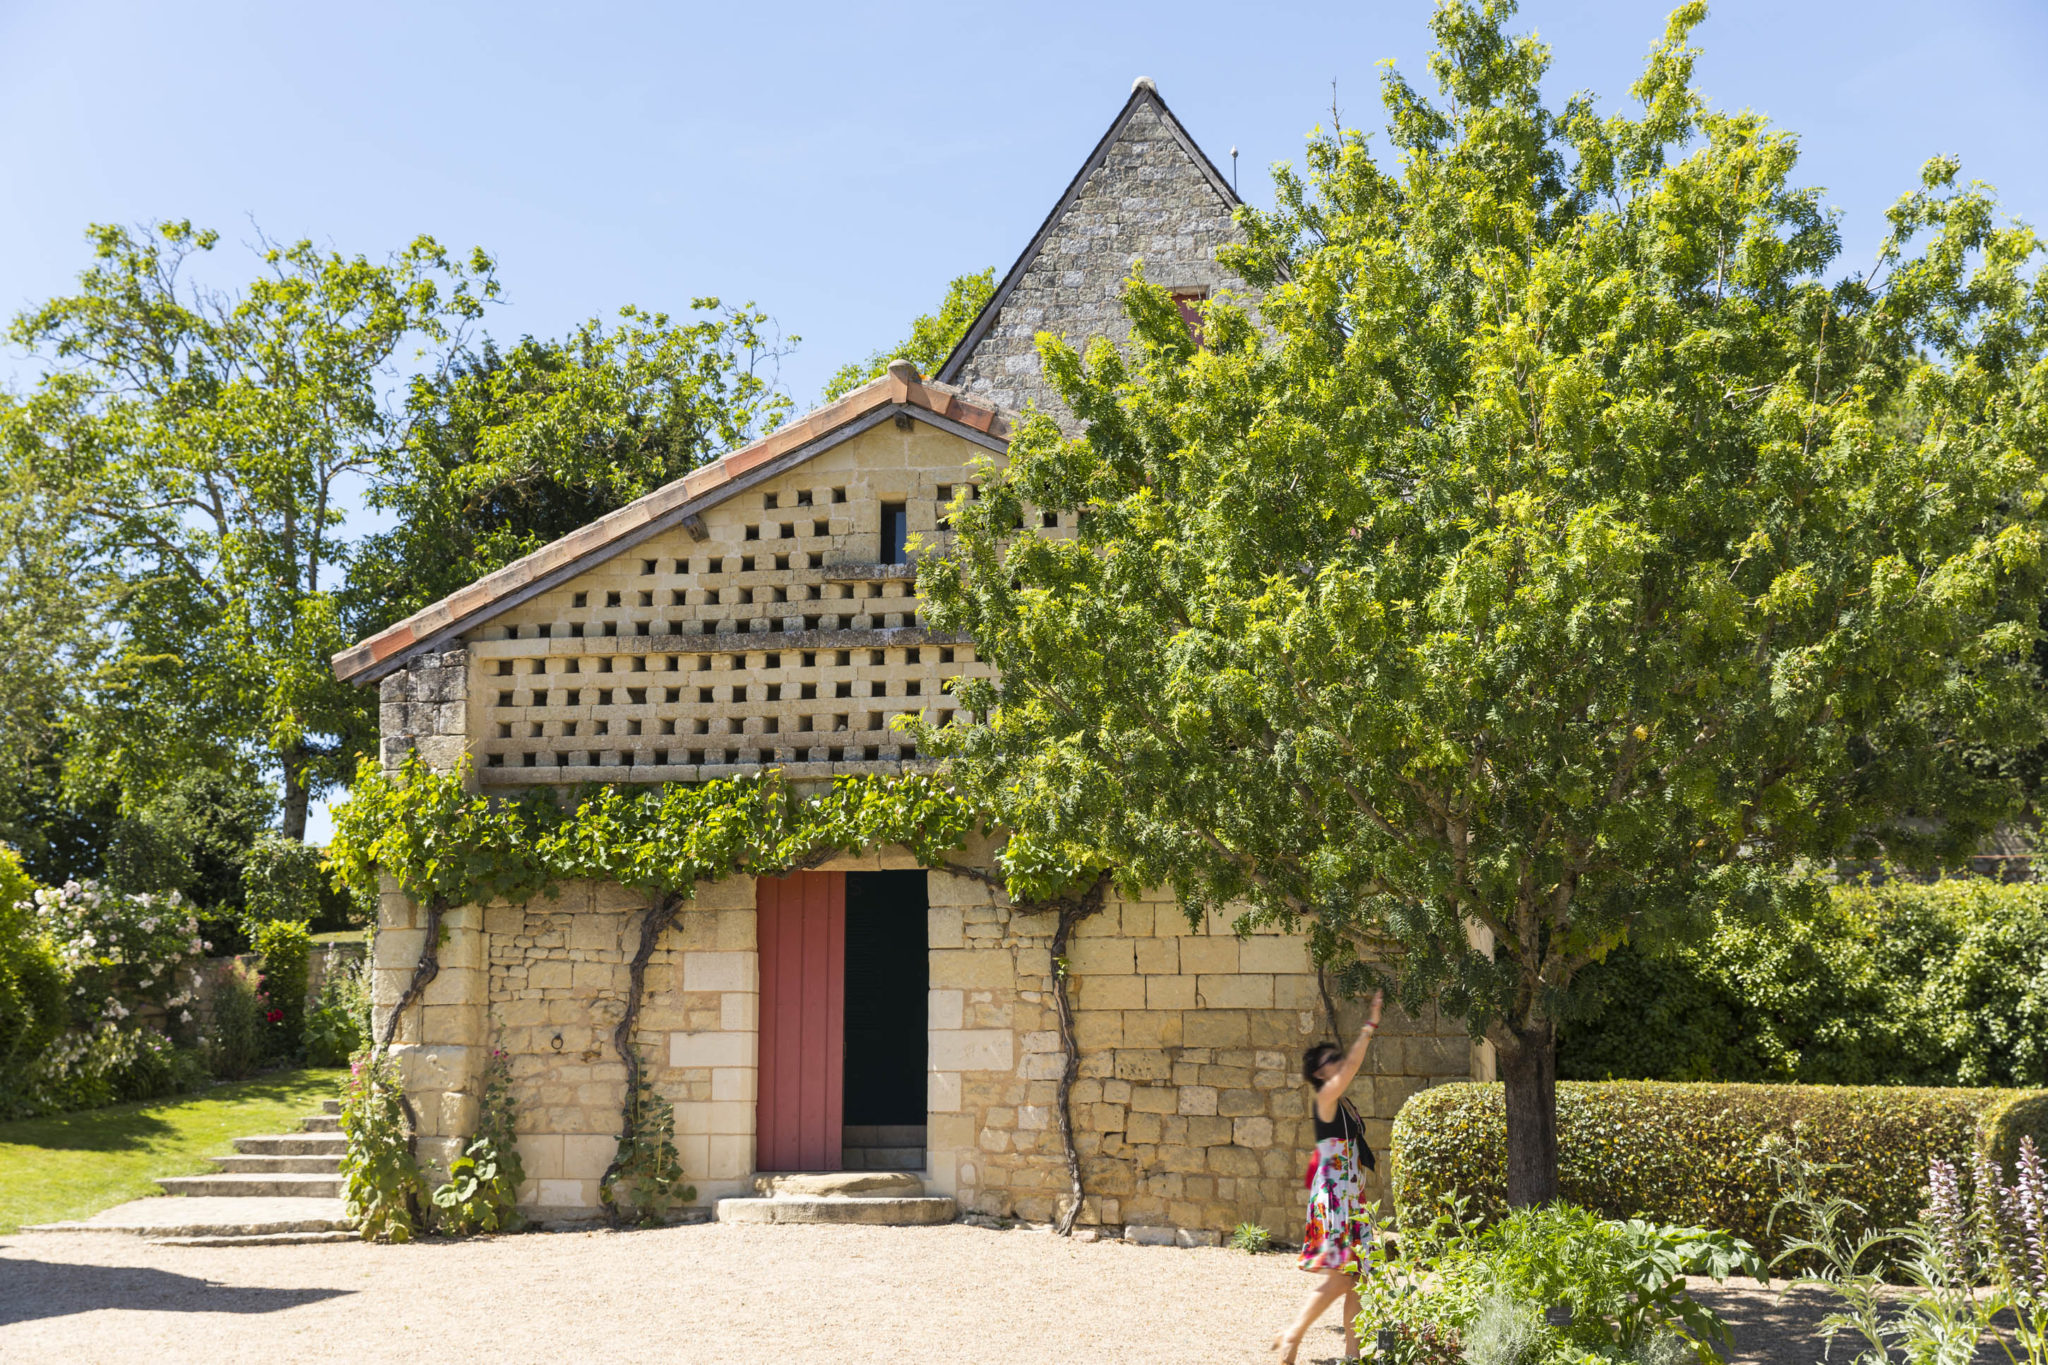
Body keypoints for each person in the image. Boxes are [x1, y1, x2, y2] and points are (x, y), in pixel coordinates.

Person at [1272, 989, 1384, 1364]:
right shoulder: (1326, 1097)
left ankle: (1352, 1355)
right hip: (1337, 1197)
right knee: (1341, 1277)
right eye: (1332, 1061)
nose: (1340, 1063)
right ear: (1321, 1073)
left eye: (1337, 1058)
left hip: (1350, 1196)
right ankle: (1292, 1334)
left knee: (1358, 1277)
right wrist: (1369, 1025)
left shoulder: (1342, 1102)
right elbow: (1352, 1066)